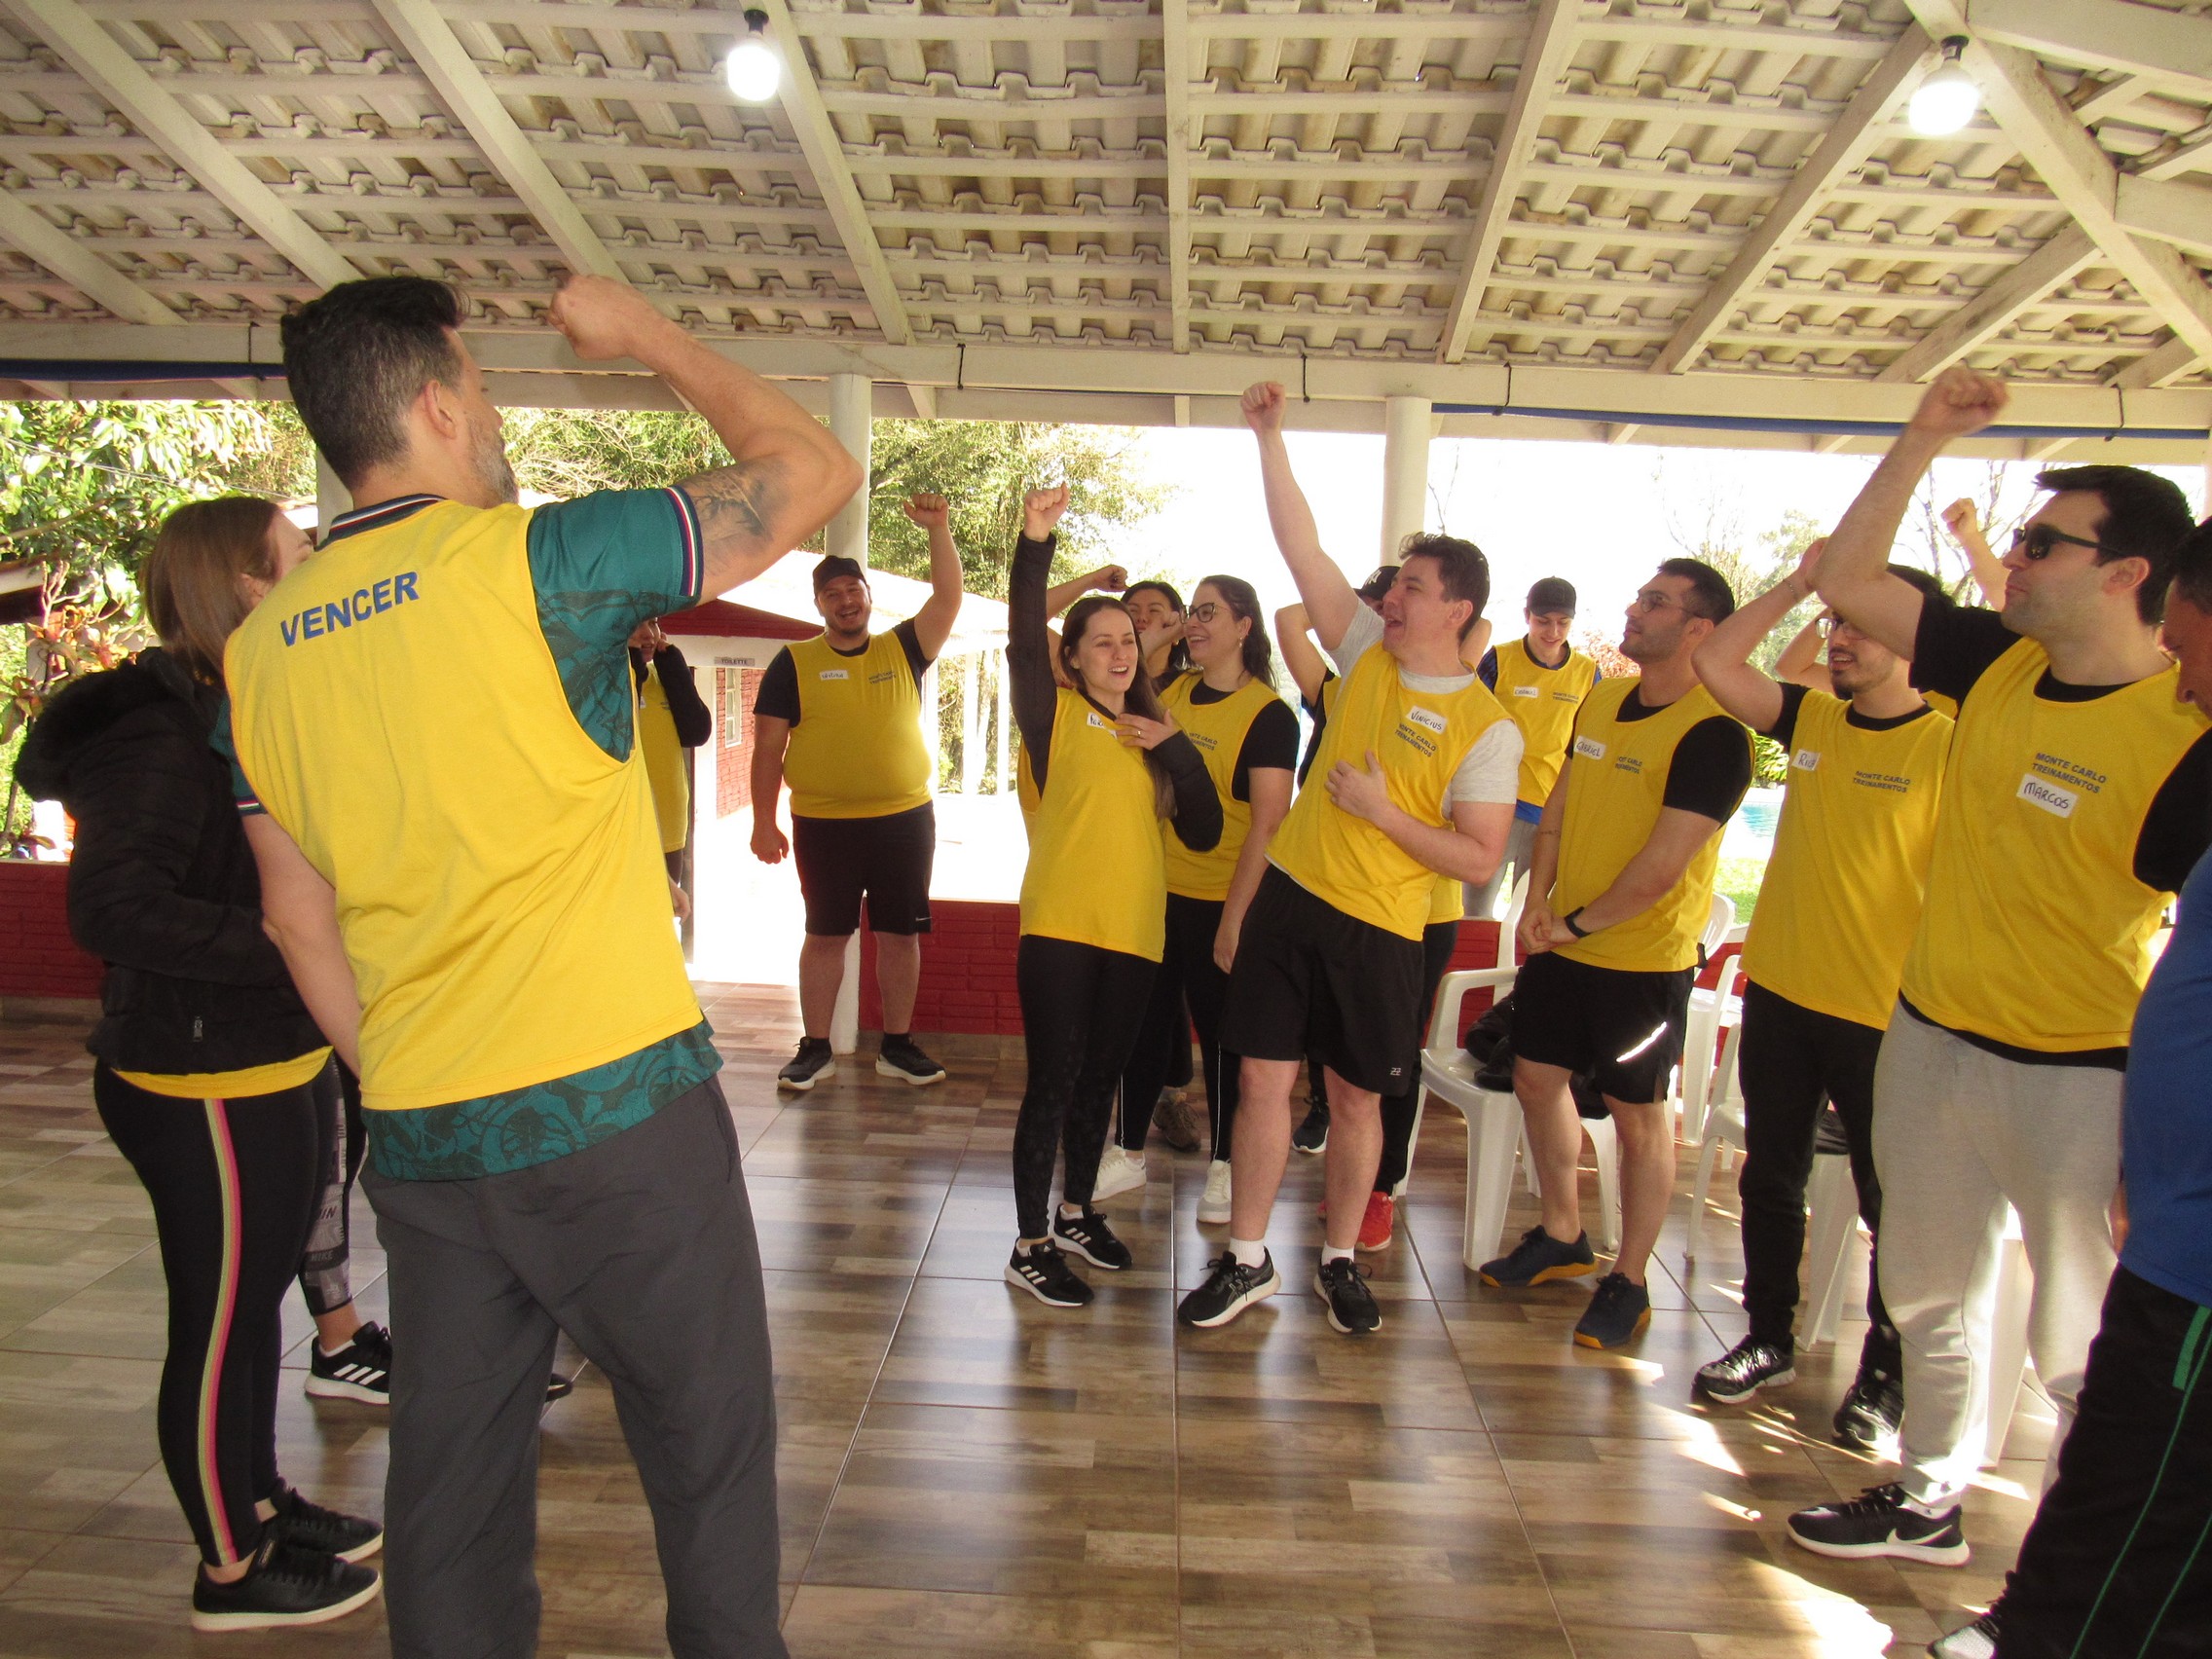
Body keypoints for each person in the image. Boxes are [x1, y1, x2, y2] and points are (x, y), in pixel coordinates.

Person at [226, 274, 860, 1659]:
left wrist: (402, 1076)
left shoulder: (258, 656)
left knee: (450, 1500)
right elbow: (813, 470)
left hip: (426, 1137)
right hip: (617, 1117)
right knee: (706, 1458)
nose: (499, 415)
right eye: (484, 387)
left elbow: (295, 918)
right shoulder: (541, 564)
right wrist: (644, 334)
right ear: (437, 406)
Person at [1784, 366, 2210, 1574]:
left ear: (2126, 574)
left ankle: (2064, 1576)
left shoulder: (2186, 722)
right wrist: (1923, 434)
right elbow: (1847, 578)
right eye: (2017, 539)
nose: (2012, 560)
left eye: (2042, 544)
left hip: (2082, 1072)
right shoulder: (2000, 661)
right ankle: (1926, 1497)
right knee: (1923, 1294)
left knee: (2077, 1347)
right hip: (1930, 1037)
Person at [13, 496, 382, 1631]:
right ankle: (230, 1566)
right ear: (249, 587)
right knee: (219, 1327)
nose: (319, 563)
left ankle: (258, 1501)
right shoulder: (160, 734)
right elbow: (114, 907)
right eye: (300, 552)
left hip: (265, 1061)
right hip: (198, 1078)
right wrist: (286, 946)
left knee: (253, 1306)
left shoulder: (238, 704)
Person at [1921, 524, 2212, 1659]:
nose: (2181, 678)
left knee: (2127, 1528)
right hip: (2171, 1232)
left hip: (2192, 1268)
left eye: (2190, 645)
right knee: (2116, 1505)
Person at [1179, 382, 1518, 1337]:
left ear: (1457, 609)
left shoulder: (1488, 728)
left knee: (1355, 1097)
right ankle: (1247, 1258)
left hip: (1381, 930)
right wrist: (1269, 437)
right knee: (1259, 1080)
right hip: (1292, 902)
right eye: (1395, 584)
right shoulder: (1366, 648)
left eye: (1413, 587)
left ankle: (1338, 1259)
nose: (1390, 597)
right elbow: (1304, 548)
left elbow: (1479, 855)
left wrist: (1380, 812)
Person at [1688, 540, 1954, 1450]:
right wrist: (1804, 582)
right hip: (1783, 992)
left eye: (1861, 623)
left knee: (1891, 1202)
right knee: (1772, 1176)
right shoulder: (1815, 721)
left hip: (1884, 1015)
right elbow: (1717, 660)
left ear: (1915, 637)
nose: (1839, 638)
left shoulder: (1951, 743)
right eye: (1838, 622)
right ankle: (1768, 1337)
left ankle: (1887, 1372)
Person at [1479, 559, 1752, 1350]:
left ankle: (1628, 1279)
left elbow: (1663, 865)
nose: (1634, 609)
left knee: (1640, 1119)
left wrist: (1574, 925)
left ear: (1699, 630)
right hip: (1564, 940)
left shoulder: (1715, 732)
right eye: (1639, 596)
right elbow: (1559, 807)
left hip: (1641, 960)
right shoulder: (1601, 699)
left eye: (1656, 603)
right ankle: (1564, 1234)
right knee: (1535, 1078)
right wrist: (1537, 899)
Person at [1003, 486, 1221, 1308]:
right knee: (1053, 1085)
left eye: (1128, 638)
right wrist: (1036, 542)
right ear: (1074, 658)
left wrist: (1177, 751)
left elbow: (1204, 832)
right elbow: (1022, 633)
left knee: (1101, 1084)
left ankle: (1076, 1213)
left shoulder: (1157, 733)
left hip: (1136, 937)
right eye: (1101, 641)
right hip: (1061, 931)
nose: (1119, 651)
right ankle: (1029, 1245)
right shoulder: (1052, 715)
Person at [1279, 584, 1493, 1250]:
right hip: (1338, 903)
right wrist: (1363, 605)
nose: (1389, 612)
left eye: (1406, 596)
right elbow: (1292, 615)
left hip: (1421, 914)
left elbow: (1476, 632)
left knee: (1391, 1060)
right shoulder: (1356, 679)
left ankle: (1381, 1188)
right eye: (1383, 602)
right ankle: (1337, 1139)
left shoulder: (1460, 704)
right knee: (1334, 1053)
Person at [1095, 575, 1297, 1224]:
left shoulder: (1269, 715)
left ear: (1245, 626)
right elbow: (1132, 665)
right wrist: (1172, 628)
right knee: (1144, 1028)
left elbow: (1268, 824)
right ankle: (1127, 1151)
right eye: (1194, 612)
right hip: (1157, 892)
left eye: (1211, 612)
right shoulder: (1174, 692)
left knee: (1224, 1040)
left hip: (1223, 899)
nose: (1197, 623)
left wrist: (1235, 920)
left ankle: (1227, 1164)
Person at [749, 493, 965, 1090]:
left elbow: (948, 598)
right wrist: (763, 822)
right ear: (819, 604)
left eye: (853, 590)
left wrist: (938, 530)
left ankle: (897, 1045)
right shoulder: (793, 662)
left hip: (904, 820)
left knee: (900, 935)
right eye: (832, 594)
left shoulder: (904, 648)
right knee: (825, 935)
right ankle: (815, 1047)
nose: (846, 600)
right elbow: (767, 750)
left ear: (868, 596)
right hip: (824, 825)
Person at [1468, 576, 1603, 919]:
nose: (1553, 632)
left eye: (1563, 623)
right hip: (1496, 804)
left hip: (1550, 813)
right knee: (1475, 913)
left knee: (1532, 913)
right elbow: (1468, 725)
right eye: (1543, 621)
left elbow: (1592, 742)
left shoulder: (1588, 673)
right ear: (1527, 615)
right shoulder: (1499, 659)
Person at [630, 616, 714, 881]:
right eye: (636, 624)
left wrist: (675, 669)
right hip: (628, 825)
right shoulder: (607, 682)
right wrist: (632, 662)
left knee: (668, 907)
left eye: (653, 623)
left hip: (670, 826)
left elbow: (696, 733)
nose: (648, 634)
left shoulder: (663, 675)